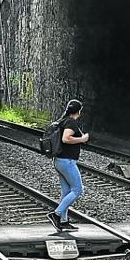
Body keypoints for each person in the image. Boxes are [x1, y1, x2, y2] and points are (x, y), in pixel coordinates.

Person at [48, 99, 90, 232]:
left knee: (66, 192)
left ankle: (63, 221)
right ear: (79, 111)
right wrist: (82, 139)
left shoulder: (63, 121)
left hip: (59, 160)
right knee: (78, 189)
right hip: (67, 161)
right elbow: (66, 139)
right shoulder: (71, 122)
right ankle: (56, 214)